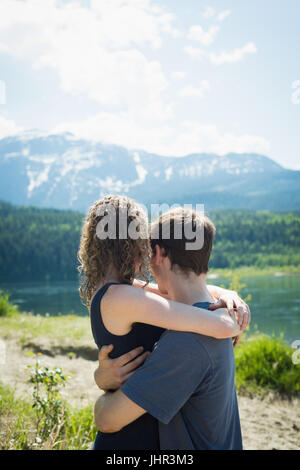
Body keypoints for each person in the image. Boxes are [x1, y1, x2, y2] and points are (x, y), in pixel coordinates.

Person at [78, 195, 250, 450]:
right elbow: (204, 319)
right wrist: (234, 320)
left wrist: (228, 295)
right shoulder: (122, 297)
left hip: (140, 418)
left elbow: (175, 293)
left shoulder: (122, 291)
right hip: (132, 437)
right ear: (132, 243)